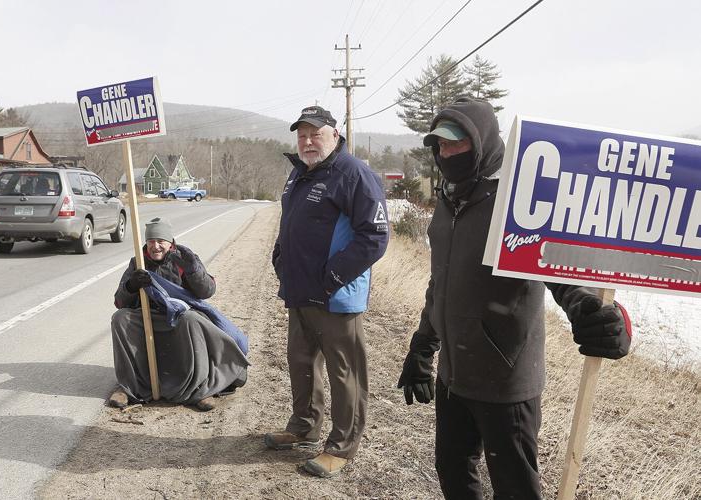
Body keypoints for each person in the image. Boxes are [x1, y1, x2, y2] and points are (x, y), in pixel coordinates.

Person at [396, 97, 633, 499]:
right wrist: (423, 348)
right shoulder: (448, 200)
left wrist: (596, 314)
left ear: (485, 141)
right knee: (453, 469)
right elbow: (441, 283)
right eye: (441, 145)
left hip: (505, 381)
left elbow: (559, 273)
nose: (447, 153)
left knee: (515, 486)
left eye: (458, 143)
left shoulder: (517, 202)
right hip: (454, 375)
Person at [265, 105, 390, 478]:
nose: (307, 141)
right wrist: (280, 257)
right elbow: (291, 221)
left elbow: (376, 237)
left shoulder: (354, 174)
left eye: (315, 133)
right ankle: (304, 426)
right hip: (300, 291)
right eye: (301, 134)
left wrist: (332, 275)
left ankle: (342, 446)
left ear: (334, 135)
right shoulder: (299, 173)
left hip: (336, 296)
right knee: (301, 362)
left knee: (344, 372)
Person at [110, 217, 248, 411]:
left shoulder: (183, 257)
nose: (155, 246)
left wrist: (193, 270)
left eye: (160, 241)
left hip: (182, 316)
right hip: (149, 316)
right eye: (151, 241)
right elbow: (119, 302)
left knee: (190, 320)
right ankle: (129, 387)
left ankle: (199, 390)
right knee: (121, 319)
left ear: (170, 242)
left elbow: (207, 292)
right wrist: (131, 286)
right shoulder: (138, 262)